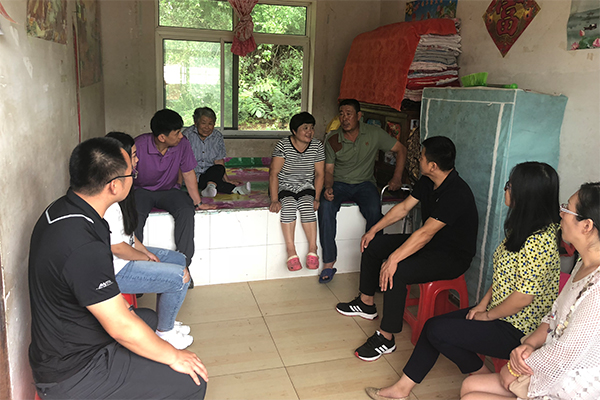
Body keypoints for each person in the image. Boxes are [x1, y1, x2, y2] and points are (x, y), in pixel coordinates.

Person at [364, 162, 562, 400]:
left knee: (436, 330)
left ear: (526, 194)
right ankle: (404, 389)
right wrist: (482, 306)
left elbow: (522, 298)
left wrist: (487, 316)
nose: (506, 189)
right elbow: (504, 277)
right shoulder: (521, 229)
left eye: (510, 185)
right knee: (434, 327)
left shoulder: (540, 241)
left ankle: (479, 375)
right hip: (499, 313)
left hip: (518, 328)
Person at [28, 137, 208, 399]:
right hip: (73, 371)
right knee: (191, 381)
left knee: (148, 319)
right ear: (114, 185)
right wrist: (174, 356)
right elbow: (120, 326)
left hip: (74, 335)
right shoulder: (81, 244)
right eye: (130, 173)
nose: (134, 175)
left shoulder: (68, 210)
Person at [336, 136, 478, 361]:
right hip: (430, 244)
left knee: (398, 271)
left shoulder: (456, 193)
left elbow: (426, 233)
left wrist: (394, 259)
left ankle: (386, 338)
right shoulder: (427, 181)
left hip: (451, 256)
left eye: (421, 157)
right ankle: (366, 303)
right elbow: (403, 208)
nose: (418, 160)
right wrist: (374, 229)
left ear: (433, 165)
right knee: (375, 244)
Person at [460, 182, 600, 400]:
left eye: (567, 208)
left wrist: (515, 368)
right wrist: (529, 344)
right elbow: (554, 316)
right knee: (470, 385)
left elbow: (565, 353)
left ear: (587, 225)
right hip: (547, 364)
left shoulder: (597, 288)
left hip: (571, 385)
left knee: (472, 396)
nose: (561, 213)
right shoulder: (583, 264)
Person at [105, 131, 193, 350]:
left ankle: (166, 320)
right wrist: (145, 258)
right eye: (134, 155)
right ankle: (165, 332)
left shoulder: (124, 187)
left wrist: (144, 251)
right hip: (118, 268)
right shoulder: (110, 194)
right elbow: (117, 247)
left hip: (127, 255)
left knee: (178, 260)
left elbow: (127, 234)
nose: (138, 159)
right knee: (180, 276)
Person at [318, 99, 408, 282]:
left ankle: (374, 262)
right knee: (325, 206)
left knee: (375, 211)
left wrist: (397, 177)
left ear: (359, 116)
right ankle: (329, 261)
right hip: (339, 183)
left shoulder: (373, 133)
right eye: (341, 114)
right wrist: (328, 187)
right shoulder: (333, 138)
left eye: (349, 114)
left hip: (365, 183)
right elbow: (328, 171)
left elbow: (401, 149)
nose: (344, 118)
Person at [133, 109, 215, 272]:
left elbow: (188, 173)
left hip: (169, 190)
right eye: (177, 133)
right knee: (135, 214)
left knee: (186, 209)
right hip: (141, 191)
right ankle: (136, 265)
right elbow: (125, 172)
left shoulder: (182, 144)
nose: (181, 136)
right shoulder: (139, 145)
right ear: (162, 137)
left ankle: (183, 266)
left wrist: (198, 203)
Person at [269, 112, 325, 271]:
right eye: (305, 128)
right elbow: (274, 173)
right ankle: (291, 251)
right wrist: (274, 199)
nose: (310, 132)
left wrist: (317, 198)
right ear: (294, 131)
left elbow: (320, 174)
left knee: (307, 206)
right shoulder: (283, 145)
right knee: (288, 205)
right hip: (285, 185)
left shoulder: (317, 146)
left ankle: (313, 249)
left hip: (306, 186)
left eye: (312, 128)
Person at [183, 107, 251, 197]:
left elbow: (218, 161)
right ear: (196, 122)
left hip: (211, 174)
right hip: (191, 176)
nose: (207, 127)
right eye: (203, 123)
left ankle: (210, 188)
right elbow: (180, 160)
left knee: (219, 168)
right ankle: (237, 190)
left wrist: (227, 180)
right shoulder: (187, 135)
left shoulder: (217, 136)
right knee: (215, 181)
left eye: (210, 124)